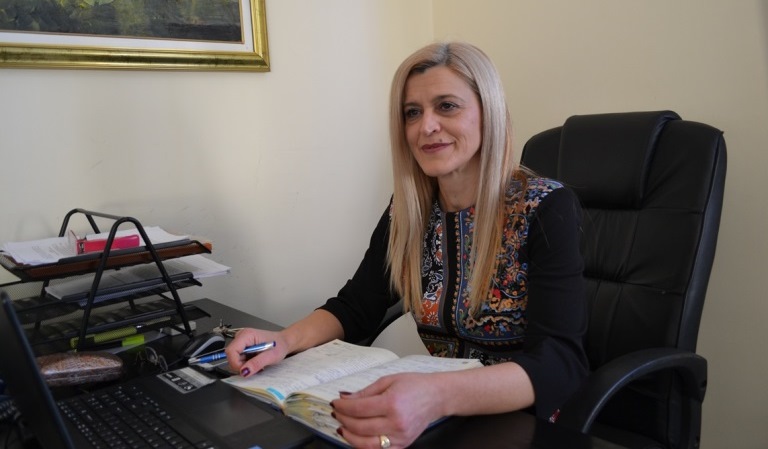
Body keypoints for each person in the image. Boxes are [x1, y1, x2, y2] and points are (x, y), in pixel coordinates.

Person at [225, 41, 588, 449]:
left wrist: (436, 395)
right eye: (412, 112)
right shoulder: (408, 211)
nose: (426, 126)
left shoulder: (544, 207)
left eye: (446, 106)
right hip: (438, 419)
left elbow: (559, 362)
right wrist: (283, 342)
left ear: (489, 113)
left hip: (523, 422)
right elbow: (356, 306)